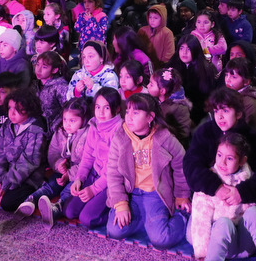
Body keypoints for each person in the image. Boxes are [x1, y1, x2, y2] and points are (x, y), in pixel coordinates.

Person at [105, 93, 190, 249]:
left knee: (161, 240)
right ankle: (144, 220)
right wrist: (121, 204)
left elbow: (181, 166)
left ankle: (182, 216)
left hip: (155, 194)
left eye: (136, 113)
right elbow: (112, 173)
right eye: (128, 111)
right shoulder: (120, 137)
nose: (129, 117)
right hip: (131, 194)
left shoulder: (165, 138)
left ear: (150, 117)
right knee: (114, 231)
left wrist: (181, 196)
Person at [189, 132, 256, 261]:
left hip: (247, 244)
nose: (222, 162)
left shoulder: (251, 180)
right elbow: (200, 218)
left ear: (242, 161)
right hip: (221, 246)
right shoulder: (209, 180)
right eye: (219, 155)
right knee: (223, 223)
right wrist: (202, 253)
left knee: (254, 212)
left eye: (230, 158)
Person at [28, 97, 92, 224]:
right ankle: (31, 200)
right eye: (65, 120)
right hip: (63, 172)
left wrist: (70, 174)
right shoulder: (60, 132)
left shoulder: (88, 134)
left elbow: (87, 161)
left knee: (70, 190)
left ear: (83, 119)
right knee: (52, 184)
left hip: (79, 175)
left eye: (72, 120)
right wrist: (58, 165)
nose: (67, 124)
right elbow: (53, 152)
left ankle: (56, 208)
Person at [0, 88, 47, 212]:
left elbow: (29, 162)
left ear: (29, 109)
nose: (12, 113)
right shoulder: (7, 125)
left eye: (17, 109)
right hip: (8, 172)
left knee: (7, 204)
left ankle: (36, 194)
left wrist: (7, 181)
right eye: (10, 108)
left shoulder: (36, 130)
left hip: (28, 176)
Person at [66, 87, 123, 227]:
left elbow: (114, 171)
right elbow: (87, 158)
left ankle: (114, 212)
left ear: (116, 110)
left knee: (87, 219)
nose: (101, 112)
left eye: (107, 108)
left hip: (111, 181)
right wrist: (79, 178)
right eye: (98, 107)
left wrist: (94, 189)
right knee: (69, 212)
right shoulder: (94, 124)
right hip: (94, 174)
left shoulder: (120, 130)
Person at [167, 34, 218, 125]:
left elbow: (208, 98)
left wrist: (191, 108)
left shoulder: (206, 69)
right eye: (181, 48)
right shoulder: (173, 65)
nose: (184, 52)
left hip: (198, 113)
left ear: (195, 50)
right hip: (174, 110)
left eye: (188, 49)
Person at [147, 67, 192, 146]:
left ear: (162, 91)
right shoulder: (155, 101)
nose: (147, 86)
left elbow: (184, 134)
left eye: (151, 84)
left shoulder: (179, 107)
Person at [33, 51, 69, 134]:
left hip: (54, 132)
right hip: (37, 129)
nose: (38, 69)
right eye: (37, 64)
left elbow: (67, 110)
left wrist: (54, 128)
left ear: (54, 70)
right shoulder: (34, 85)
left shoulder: (60, 87)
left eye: (44, 67)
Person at [137, 4, 175, 68]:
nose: (152, 20)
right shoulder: (142, 30)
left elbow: (169, 55)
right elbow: (137, 49)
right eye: (150, 17)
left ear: (162, 18)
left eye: (155, 18)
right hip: (143, 65)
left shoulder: (167, 33)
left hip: (159, 67)